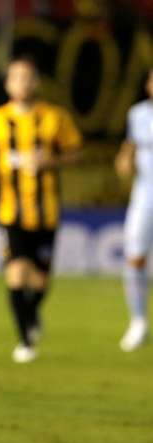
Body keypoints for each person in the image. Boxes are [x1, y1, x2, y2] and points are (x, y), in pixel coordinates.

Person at [0, 55, 82, 364]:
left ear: (36, 83)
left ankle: (31, 317)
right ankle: (25, 342)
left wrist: (53, 161)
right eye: (16, 77)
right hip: (11, 212)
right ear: (8, 83)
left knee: (40, 282)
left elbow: (75, 153)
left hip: (46, 212)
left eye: (28, 77)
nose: (22, 83)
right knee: (17, 274)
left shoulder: (55, 118)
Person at [115, 68, 153, 352]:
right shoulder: (138, 114)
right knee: (135, 256)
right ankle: (138, 321)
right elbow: (128, 149)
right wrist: (124, 161)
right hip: (145, 195)